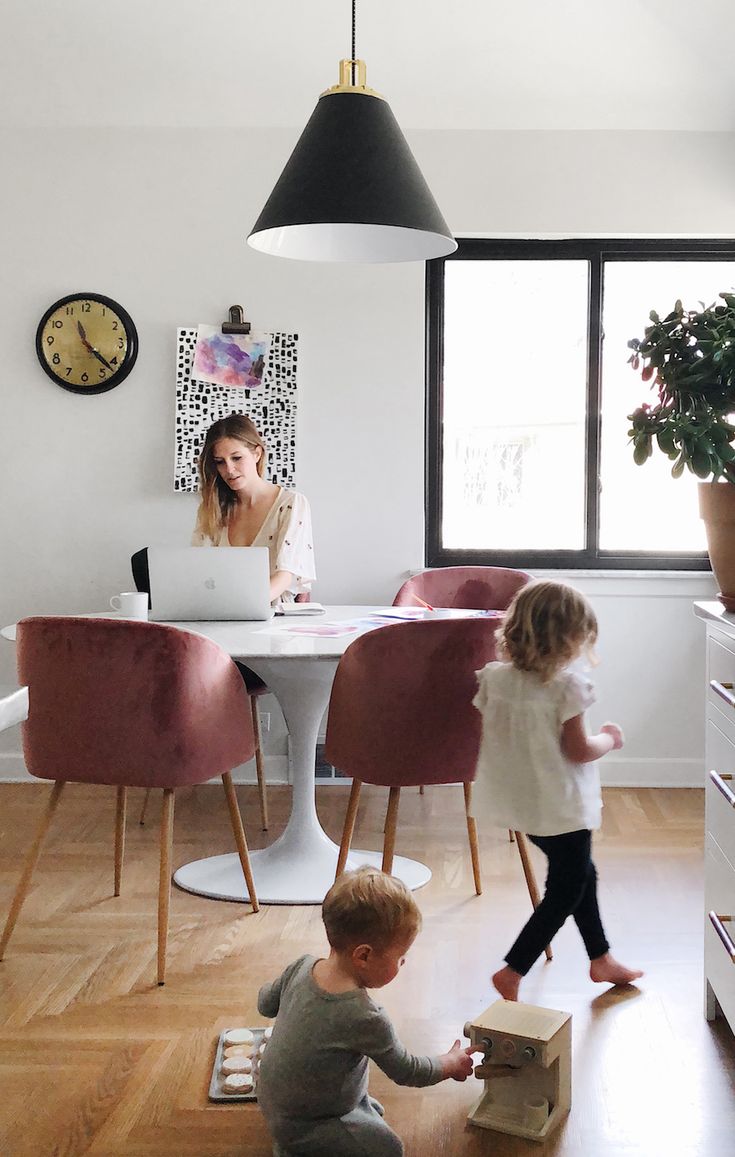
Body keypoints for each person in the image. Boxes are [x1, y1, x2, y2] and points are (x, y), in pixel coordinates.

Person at [471, 579, 643, 1003]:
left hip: (524, 803)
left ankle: (600, 957)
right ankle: (514, 968)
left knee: (581, 873)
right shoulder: (567, 687)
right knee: (566, 888)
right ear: (570, 639)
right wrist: (610, 739)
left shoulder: (496, 679)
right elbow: (579, 749)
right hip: (561, 806)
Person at [256, 867, 478, 1157]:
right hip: (308, 1122)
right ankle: (294, 1148)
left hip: (272, 1099)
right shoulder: (365, 1016)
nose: (403, 964)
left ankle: (342, 1117)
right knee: (390, 1149)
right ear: (363, 955)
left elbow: (265, 1004)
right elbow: (406, 1070)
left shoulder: (301, 965)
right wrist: (449, 1063)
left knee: (364, 1108)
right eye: (401, 957)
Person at [192, 413, 315, 604]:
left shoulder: (291, 504)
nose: (229, 470)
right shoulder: (213, 509)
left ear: (257, 454)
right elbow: (199, 572)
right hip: (220, 614)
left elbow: (285, 576)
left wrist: (243, 606)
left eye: (236, 458)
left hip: (274, 618)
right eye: (220, 462)